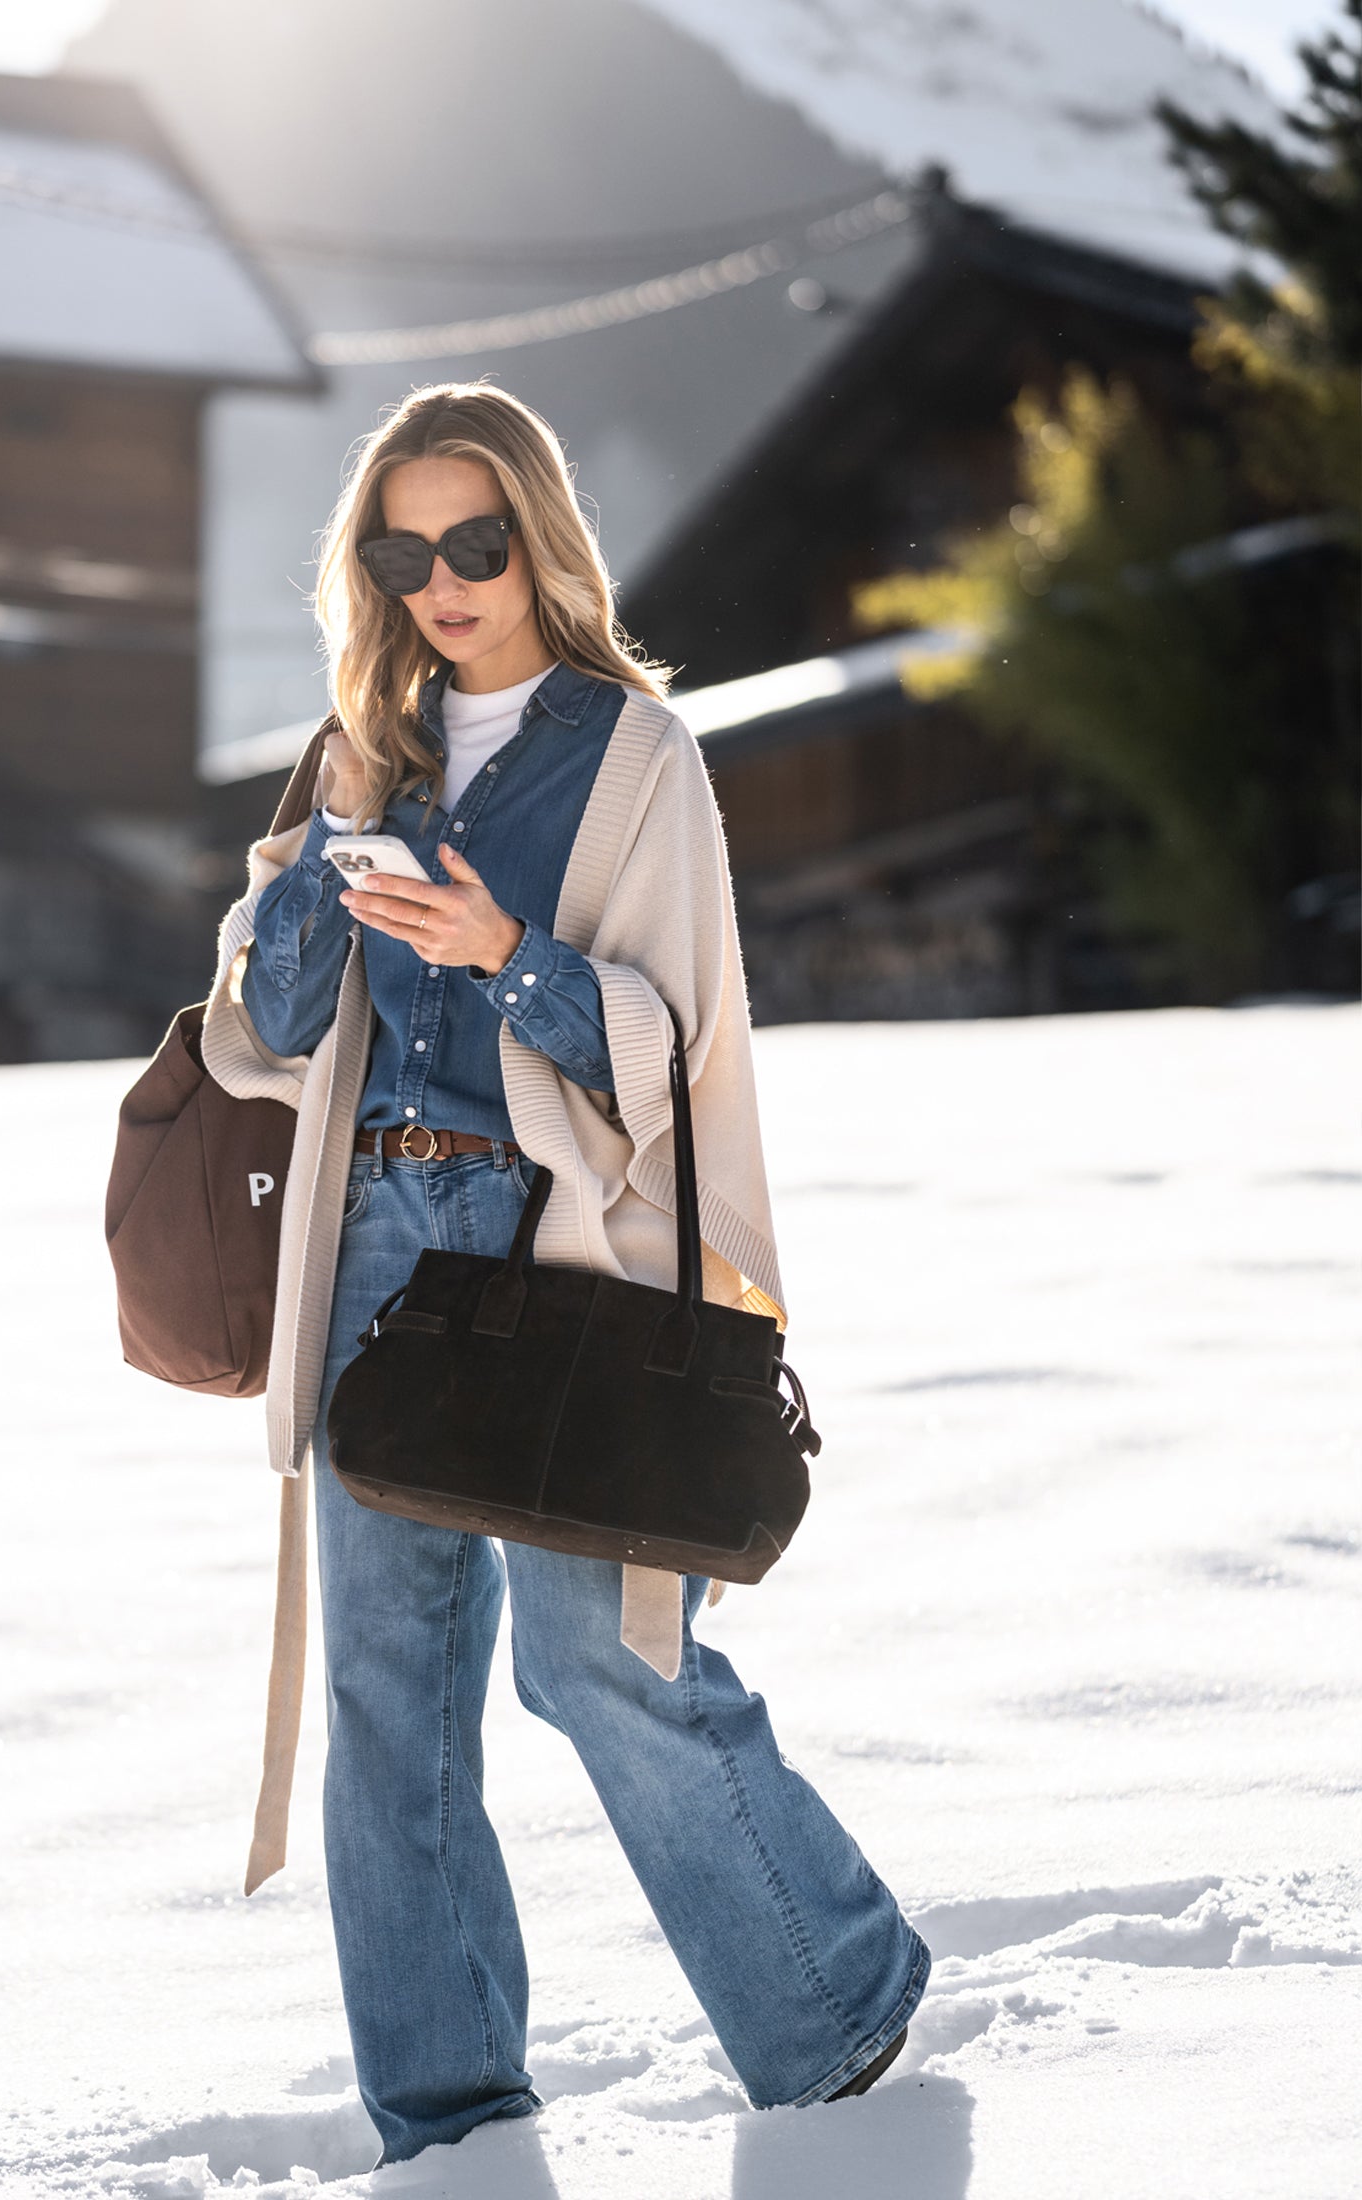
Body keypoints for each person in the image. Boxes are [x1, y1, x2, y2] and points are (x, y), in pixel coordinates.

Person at [203, 382, 928, 2167]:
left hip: (554, 1245)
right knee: (390, 1697)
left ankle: (834, 2001)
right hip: (374, 1244)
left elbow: (679, 1048)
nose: (443, 581)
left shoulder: (635, 755)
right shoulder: (360, 746)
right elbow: (264, 1027)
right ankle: (450, 2118)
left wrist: (508, 955)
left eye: (476, 542)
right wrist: (331, 857)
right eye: (403, 549)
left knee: (598, 1658)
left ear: (538, 541)